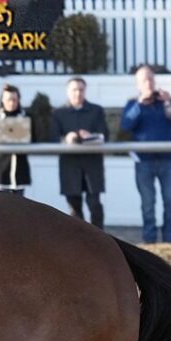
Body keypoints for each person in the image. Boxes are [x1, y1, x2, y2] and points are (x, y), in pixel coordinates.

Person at [121, 65, 171, 243]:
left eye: (151, 79)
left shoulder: (164, 101)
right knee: (147, 205)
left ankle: (170, 240)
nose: (149, 83)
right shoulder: (132, 103)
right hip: (143, 162)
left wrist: (169, 101)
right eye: (144, 80)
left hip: (167, 160)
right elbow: (126, 125)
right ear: (138, 84)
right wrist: (140, 103)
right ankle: (150, 241)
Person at [52, 77, 106, 228]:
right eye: (74, 90)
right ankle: (81, 243)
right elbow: (53, 138)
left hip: (92, 164)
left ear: (85, 91)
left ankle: (100, 238)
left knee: (94, 204)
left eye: (81, 89)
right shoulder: (59, 113)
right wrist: (67, 138)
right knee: (74, 207)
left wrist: (90, 136)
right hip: (70, 164)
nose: (78, 93)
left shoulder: (96, 110)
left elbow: (104, 135)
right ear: (68, 92)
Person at [0, 83, 33, 194]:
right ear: (2, 100)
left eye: (14, 99)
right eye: (8, 99)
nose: (11, 103)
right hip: (1, 171)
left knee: (18, 207)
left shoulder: (26, 116)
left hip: (20, 172)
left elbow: (35, 138)